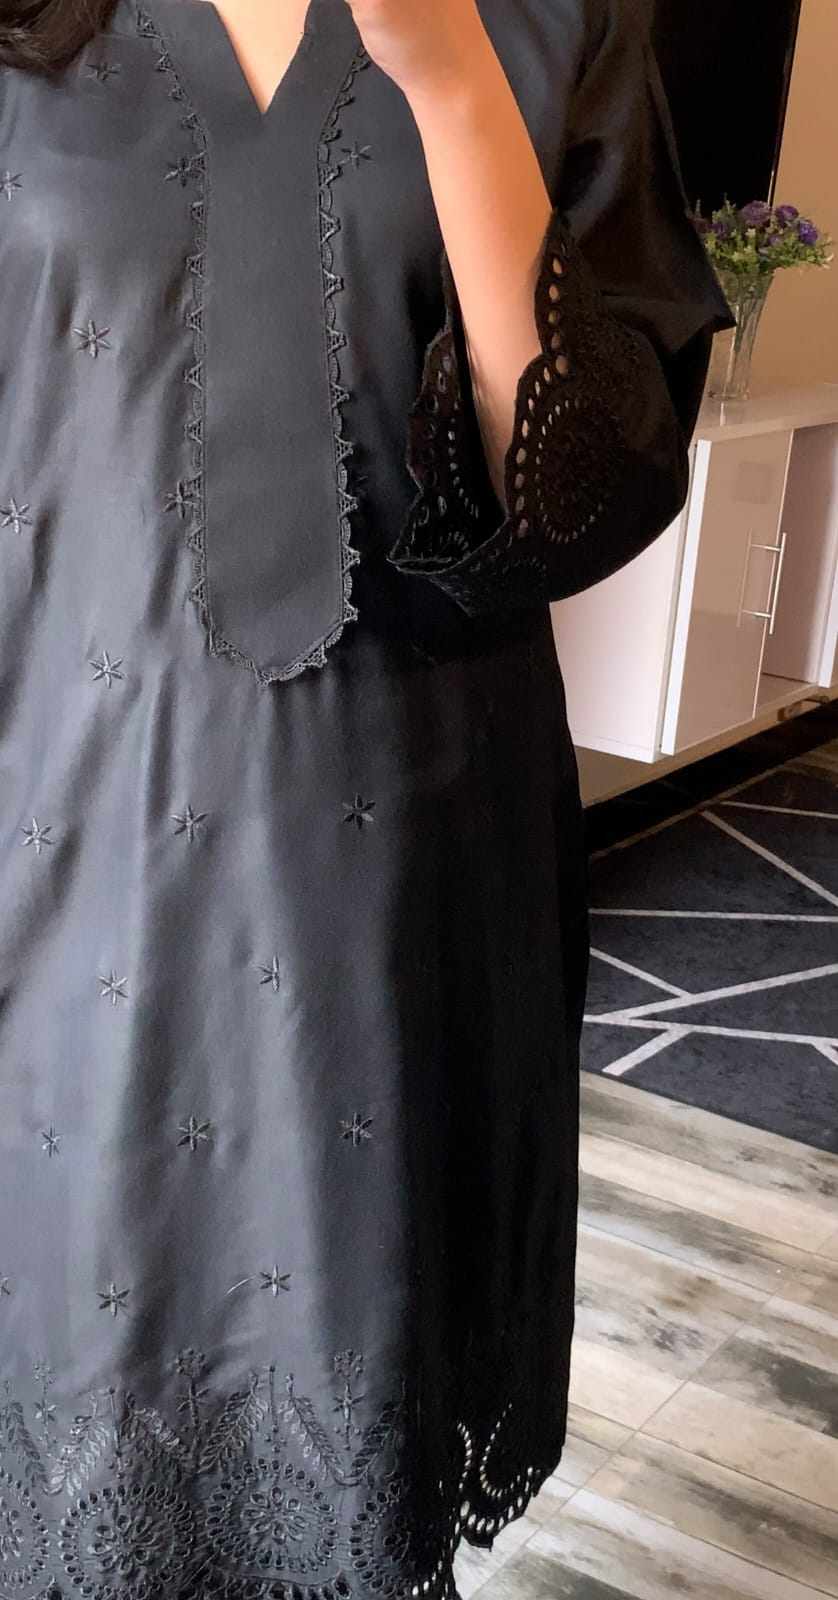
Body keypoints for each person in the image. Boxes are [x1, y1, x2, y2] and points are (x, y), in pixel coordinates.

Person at [0, 0, 734, 1593]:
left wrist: (450, 77)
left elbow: (586, 501)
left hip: (399, 866)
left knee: (352, 1407)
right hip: (56, 835)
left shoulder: (552, 27)